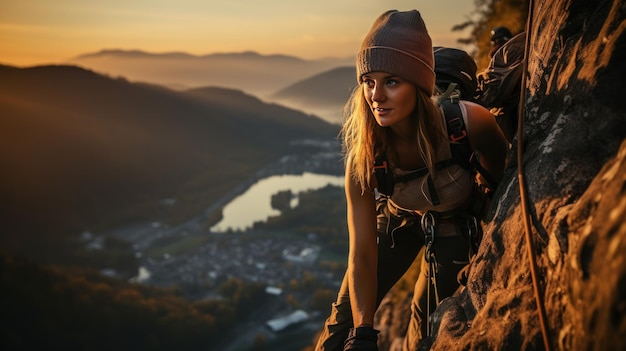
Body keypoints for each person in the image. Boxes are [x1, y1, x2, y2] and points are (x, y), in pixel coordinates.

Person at [314, 10, 509, 351]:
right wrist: (363, 331)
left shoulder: (467, 123)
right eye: (368, 81)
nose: (376, 95)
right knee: (337, 330)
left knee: (425, 331)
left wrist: (487, 201)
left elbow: (498, 161)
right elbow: (361, 254)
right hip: (397, 220)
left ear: (419, 85)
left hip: (454, 223)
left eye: (391, 81)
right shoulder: (365, 156)